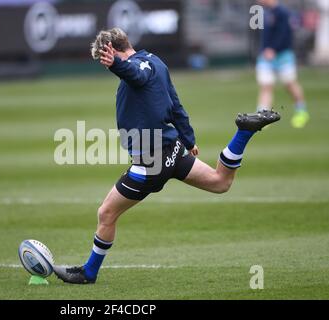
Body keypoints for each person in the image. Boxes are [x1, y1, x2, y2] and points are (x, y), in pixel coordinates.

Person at [54, 28, 280, 284]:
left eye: (104, 59)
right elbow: (175, 104)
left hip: (152, 161)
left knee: (106, 213)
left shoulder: (137, 67)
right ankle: (244, 133)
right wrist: (189, 138)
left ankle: (89, 273)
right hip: (173, 150)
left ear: (113, 50)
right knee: (221, 182)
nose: (105, 66)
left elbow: (136, 75)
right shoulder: (157, 62)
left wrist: (116, 64)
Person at [256, 0, 309, 128]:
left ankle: (301, 110)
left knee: (289, 84)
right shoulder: (265, 11)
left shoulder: (283, 13)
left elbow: (285, 34)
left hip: (283, 56)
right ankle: (262, 117)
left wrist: (273, 48)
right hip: (266, 56)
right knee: (266, 85)